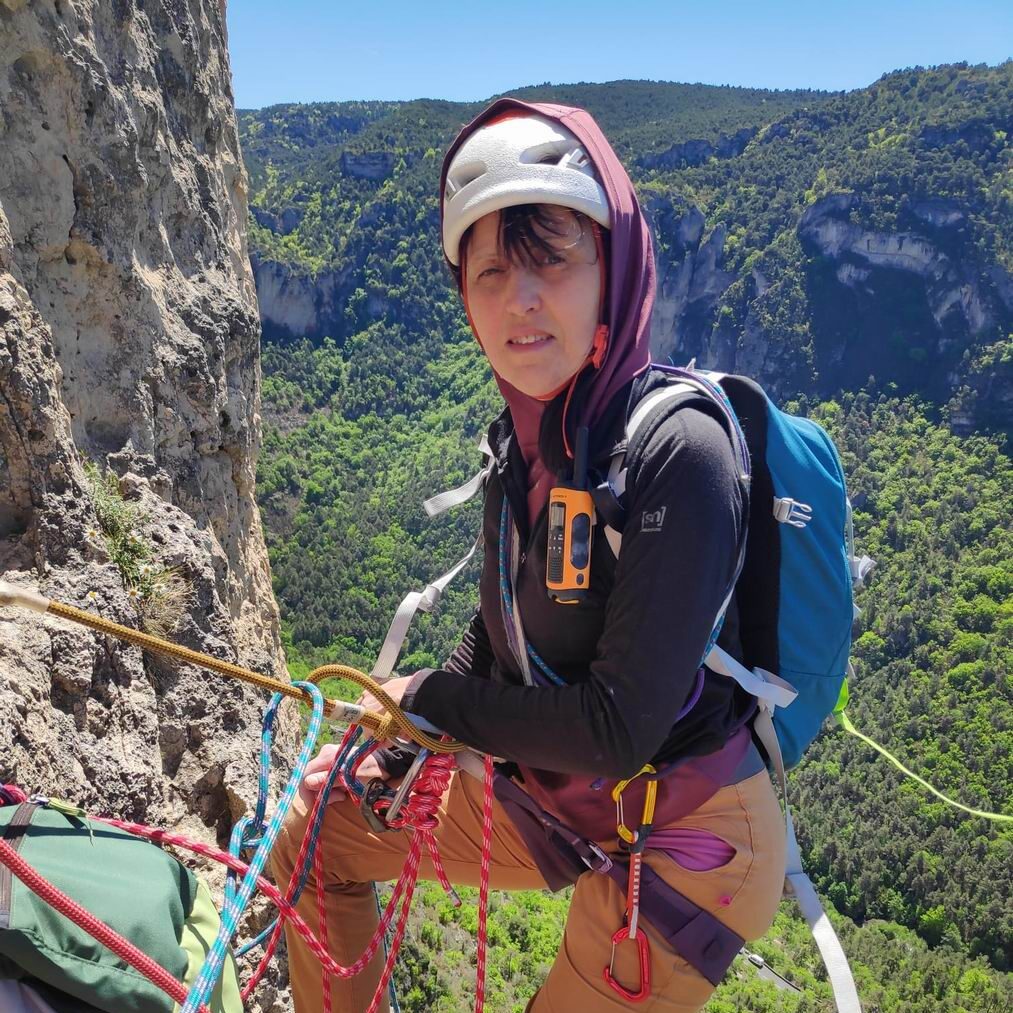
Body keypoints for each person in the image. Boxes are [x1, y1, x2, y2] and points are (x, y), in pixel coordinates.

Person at [272, 98, 786, 1012]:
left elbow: (618, 729)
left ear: (613, 268)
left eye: (553, 258)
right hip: (563, 793)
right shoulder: (526, 444)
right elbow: (500, 630)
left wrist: (429, 700)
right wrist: (401, 736)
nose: (521, 298)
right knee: (316, 830)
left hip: (690, 835)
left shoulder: (680, 453)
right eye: (491, 271)